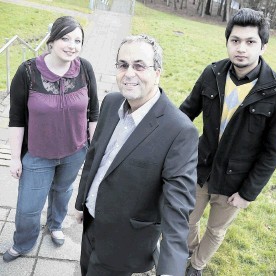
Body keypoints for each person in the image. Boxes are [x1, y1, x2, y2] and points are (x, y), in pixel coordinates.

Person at [75, 34, 199, 276]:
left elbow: (177, 210)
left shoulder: (179, 131)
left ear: (158, 72)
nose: (129, 73)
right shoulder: (111, 102)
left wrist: (170, 271)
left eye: (139, 65)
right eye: (123, 65)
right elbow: (94, 157)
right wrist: (82, 202)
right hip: (90, 223)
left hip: (124, 244)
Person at [181, 8, 276, 276]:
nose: (241, 48)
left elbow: (273, 151)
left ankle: (196, 266)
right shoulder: (212, 73)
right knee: (185, 220)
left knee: (216, 230)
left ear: (263, 46)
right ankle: (188, 250)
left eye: (250, 42)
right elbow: (185, 114)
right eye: (235, 40)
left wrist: (248, 193)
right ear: (228, 42)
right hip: (200, 169)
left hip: (235, 183)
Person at [3, 16, 99, 262]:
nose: (72, 45)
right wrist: (15, 158)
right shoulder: (28, 71)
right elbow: (16, 118)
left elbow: (93, 113)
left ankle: (55, 225)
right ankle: (23, 242)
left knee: (63, 191)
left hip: (75, 151)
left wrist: (93, 147)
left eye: (78, 40)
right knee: (27, 207)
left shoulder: (85, 69)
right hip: (37, 154)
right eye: (65, 38)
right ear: (52, 39)